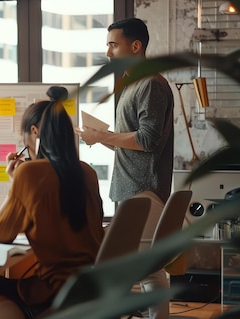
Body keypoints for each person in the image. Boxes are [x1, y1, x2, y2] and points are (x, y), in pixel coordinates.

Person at [0, 86, 105, 319]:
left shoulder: (30, 173)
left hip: (54, 292)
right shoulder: (87, 172)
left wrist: (14, 183)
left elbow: (0, 235)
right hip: (93, 288)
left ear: (34, 132)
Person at [76, 17, 174, 319]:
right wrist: (98, 138)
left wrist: (102, 136)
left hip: (143, 190)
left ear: (135, 46)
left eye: (113, 45)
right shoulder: (133, 84)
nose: (108, 53)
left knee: (147, 270)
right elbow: (131, 142)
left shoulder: (151, 84)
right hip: (131, 189)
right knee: (145, 269)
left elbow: (147, 139)